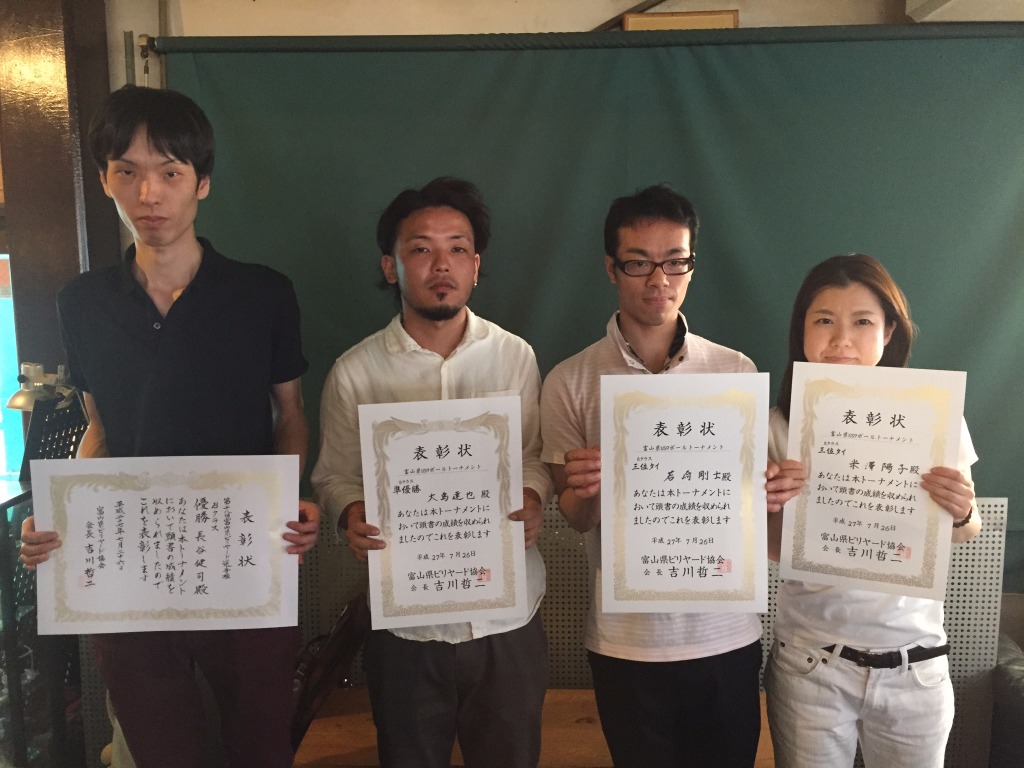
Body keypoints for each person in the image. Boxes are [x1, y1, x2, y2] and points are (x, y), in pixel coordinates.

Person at [17, 84, 320, 768]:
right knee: (161, 752)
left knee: (261, 746)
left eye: (170, 173)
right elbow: (100, 430)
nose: (148, 194)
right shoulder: (82, 302)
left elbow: (291, 414)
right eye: (127, 171)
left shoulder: (262, 293)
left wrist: (292, 498)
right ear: (104, 180)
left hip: (243, 557)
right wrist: (62, 514)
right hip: (133, 568)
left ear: (201, 183)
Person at [539, 184, 804, 767]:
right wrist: (583, 489)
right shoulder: (570, 380)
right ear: (611, 267)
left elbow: (750, 510)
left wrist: (773, 491)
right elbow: (575, 518)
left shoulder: (734, 371)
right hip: (626, 641)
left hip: (726, 634)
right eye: (638, 263)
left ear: (691, 266)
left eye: (675, 261)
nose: (659, 279)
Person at [311, 177, 552, 768]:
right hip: (405, 628)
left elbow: (533, 456)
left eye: (458, 248)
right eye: (421, 248)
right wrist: (351, 512)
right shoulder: (355, 371)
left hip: (507, 618)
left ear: (476, 265)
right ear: (390, 266)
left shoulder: (514, 356)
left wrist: (533, 496)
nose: (441, 264)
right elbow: (333, 475)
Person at [763, 253, 981, 767]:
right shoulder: (777, 425)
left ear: (889, 333)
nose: (841, 339)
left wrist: (961, 512)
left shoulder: (934, 415)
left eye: (862, 322)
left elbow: (964, 529)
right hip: (811, 663)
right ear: (802, 331)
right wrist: (773, 504)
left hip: (915, 667)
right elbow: (775, 551)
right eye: (824, 320)